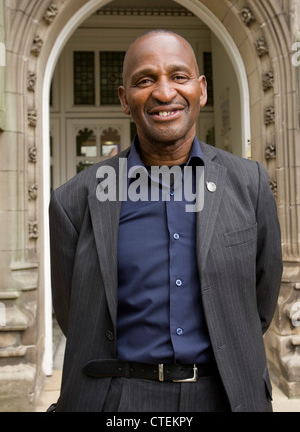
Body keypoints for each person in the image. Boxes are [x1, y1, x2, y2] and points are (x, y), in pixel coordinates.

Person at [49, 30, 282, 412]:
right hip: (120, 401)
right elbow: (75, 317)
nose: (163, 92)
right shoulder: (75, 200)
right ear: (125, 100)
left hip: (226, 396)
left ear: (201, 90)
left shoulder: (249, 184)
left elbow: (258, 304)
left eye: (178, 76)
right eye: (145, 80)